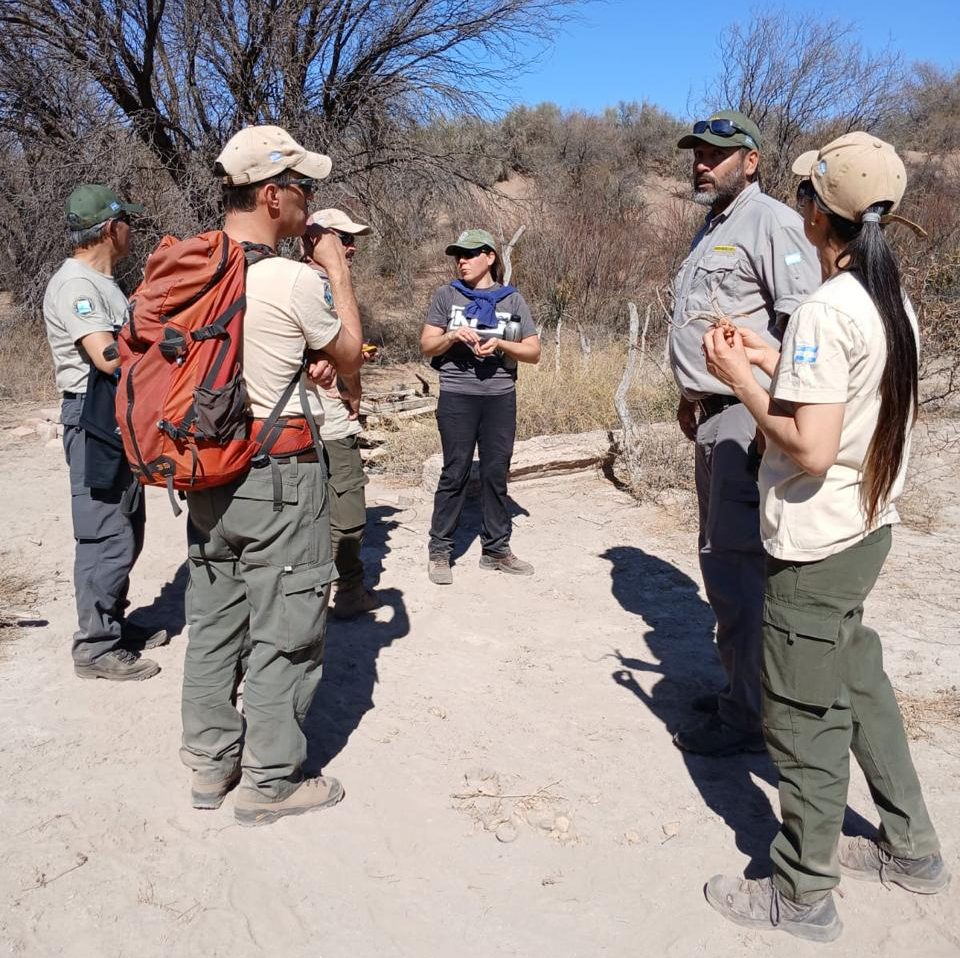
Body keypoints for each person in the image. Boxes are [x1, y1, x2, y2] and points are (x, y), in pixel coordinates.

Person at [701, 132, 949, 942]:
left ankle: (801, 891)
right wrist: (773, 355)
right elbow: (845, 391)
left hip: (816, 544)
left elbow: (807, 445)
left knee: (804, 716)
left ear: (816, 213)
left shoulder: (823, 307)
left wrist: (738, 376)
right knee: (863, 683)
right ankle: (911, 849)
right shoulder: (887, 297)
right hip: (866, 531)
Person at [180, 126, 364, 825]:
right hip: (277, 476)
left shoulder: (192, 267)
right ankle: (270, 782)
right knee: (287, 629)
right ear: (272, 195)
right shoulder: (288, 277)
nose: (310, 204)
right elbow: (348, 356)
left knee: (215, 621)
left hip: (204, 472)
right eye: (303, 190)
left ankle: (208, 763)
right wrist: (336, 271)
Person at [668, 111, 820, 755]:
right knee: (722, 558)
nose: (703, 162)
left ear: (750, 161)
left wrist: (770, 418)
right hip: (713, 411)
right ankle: (742, 689)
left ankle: (749, 719)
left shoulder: (774, 222)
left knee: (737, 565)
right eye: (698, 153)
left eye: (717, 154)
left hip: (744, 415)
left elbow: (801, 329)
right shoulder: (715, 225)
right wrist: (689, 394)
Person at [42, 184, 167, 681]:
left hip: (118, 417)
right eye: (127, 223)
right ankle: (95, 648)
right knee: (103, 534)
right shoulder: (76, 286)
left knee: (127, 526)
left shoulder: (104, 283)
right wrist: (165, 352)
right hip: (93, 418)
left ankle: (113, 623)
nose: (131, 231)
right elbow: (106, 355)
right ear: (110, 229)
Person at [421, 229, 541, 585]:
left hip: (500, 396)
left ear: (490, 257)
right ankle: (441, 550)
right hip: (457, 395)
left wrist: (502, 344)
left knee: (494, 472)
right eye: (458, 255)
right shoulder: (447, 295)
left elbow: (533, 352)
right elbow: (428, 345)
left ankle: (496, 550)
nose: (462, 261)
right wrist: (452, 336)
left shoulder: (512, 299)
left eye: (470, 254)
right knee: (455, 471)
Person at [301, 208, 379, 620]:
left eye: (352, 240)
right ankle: (345, 590)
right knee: (345, 507)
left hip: (321, 416)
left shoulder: (306, 280)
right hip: (323, 420)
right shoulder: (315, 284)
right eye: (342, 238)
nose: (351, 247)